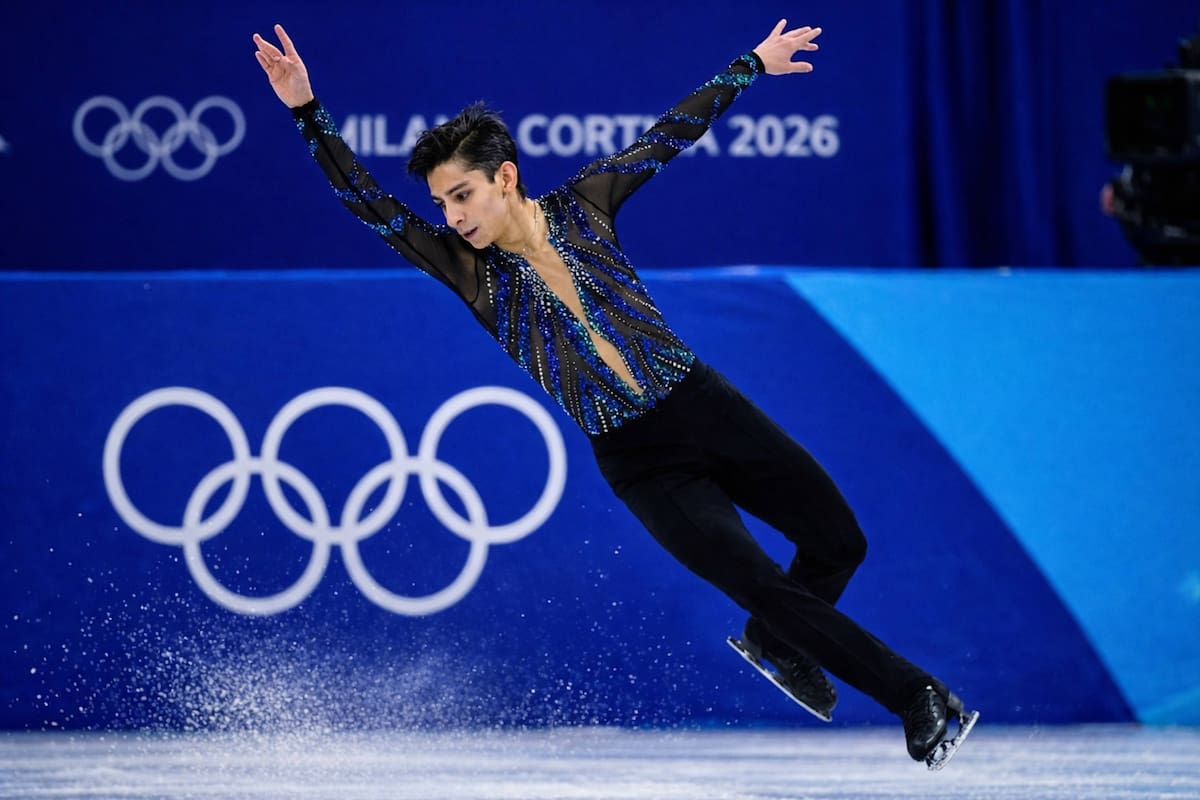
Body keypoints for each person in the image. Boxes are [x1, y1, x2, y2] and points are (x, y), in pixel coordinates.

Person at [252, 19, 976, 765]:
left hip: (704, 404)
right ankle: (914, 696)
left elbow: (671, 133)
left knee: (838, 541)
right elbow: (367, 201)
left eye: (461, 195)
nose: (453, 217)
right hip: (642, 463)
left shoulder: (586, 205)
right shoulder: (466, 271)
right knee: (760, 581)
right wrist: (306, 109)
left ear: (505, 177)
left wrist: (753, 63)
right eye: (441, 204)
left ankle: (774, 641)